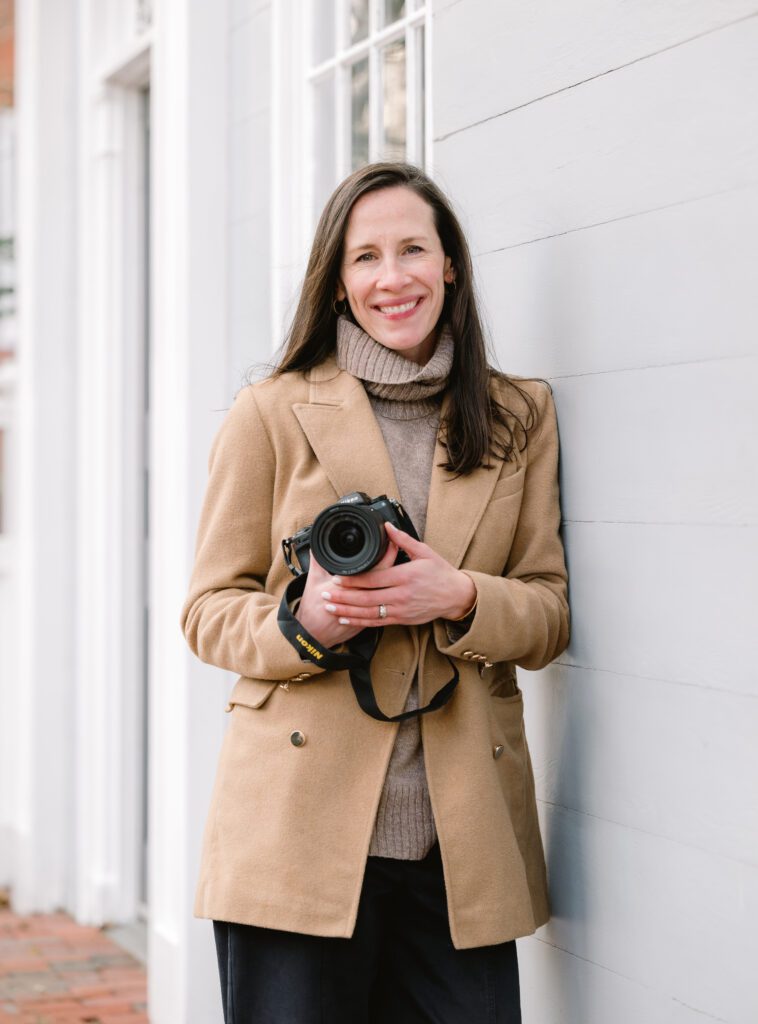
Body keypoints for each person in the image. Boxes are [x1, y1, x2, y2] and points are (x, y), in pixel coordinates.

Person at [181, 162, 569, 1023]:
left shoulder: (518, 416)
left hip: (461, 844)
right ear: (339, 280)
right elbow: (207, 610)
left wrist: (462, 596)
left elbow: (548, 611)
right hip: (296, 834)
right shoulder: (271, 411)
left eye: (412, 250)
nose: (392, 278)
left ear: (450, 265)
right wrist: (305, 621)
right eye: (366, 258)